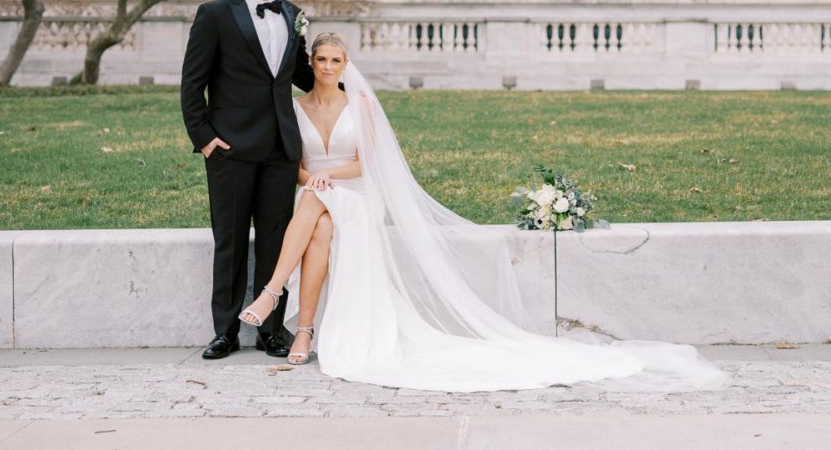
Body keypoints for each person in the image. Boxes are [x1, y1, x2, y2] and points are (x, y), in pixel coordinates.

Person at [237, 32, 726, 392]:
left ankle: (274, 296)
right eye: (320, 59)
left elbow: (369, 163)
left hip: (358, 195)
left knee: (318, 204)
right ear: (311, 61)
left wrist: (325, 180)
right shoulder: (296, 107)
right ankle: (301, 330)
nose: (327, 66)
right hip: (319, 197)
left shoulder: (359, 103)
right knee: (318, 222)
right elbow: (298, 168)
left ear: (346, 64)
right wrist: (314, 179)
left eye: (335, 59)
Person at [180, 0, 333, 361]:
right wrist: (205, 139)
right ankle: (224, 331)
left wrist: (343, 82)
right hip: (229, 148)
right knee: (229, 239)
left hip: (281, 148)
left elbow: (301, 74)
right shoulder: (214, 15)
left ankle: (271, 330)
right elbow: (192, 84)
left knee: (275, 241)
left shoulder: (293, 14)